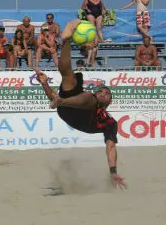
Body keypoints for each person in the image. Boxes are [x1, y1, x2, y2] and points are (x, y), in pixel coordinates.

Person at [34, 18, 127, 189]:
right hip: (66, 109)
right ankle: (67, 40)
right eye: (101, 91)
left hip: (74, 111)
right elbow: (52, 99)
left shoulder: (109, 122)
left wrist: (113, 171)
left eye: (106, 93)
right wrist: (44, 83)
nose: (102, 93)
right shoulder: (90, 96)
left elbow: (111, 147)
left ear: (109, 102)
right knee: (68, 75)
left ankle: (61, 99)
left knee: (83, 98)